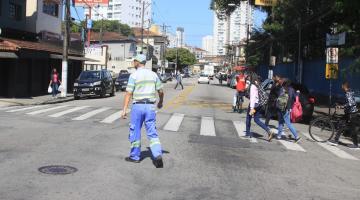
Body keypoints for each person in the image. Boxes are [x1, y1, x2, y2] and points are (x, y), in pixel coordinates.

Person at [121, 54, 165, 168]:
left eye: (133, 61)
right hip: (150, 107)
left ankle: (135, 156)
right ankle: (157, 154)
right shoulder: (153, 74)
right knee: (152, 132)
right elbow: (161, 91)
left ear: (137, 62)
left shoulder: (134, 75)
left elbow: (128, 93)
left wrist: (124, 109)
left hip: (138, 106)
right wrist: (160, 102)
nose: (132, 63)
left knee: (135, 131)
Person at [328, 82, 359, 149]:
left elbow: (351, 103)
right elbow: (348, 102)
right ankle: (336, 141)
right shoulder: (349, 92)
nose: (341, 87)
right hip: (349, 113)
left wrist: (342, 106)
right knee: (341, 124)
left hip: (352, 113)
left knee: (352, 129)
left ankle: (356, 145)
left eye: (342, 86)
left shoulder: (348, 93)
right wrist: (340, 103)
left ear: (344, 86)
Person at [245, 74, 274, 142]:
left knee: (248, 118)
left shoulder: (252, 86)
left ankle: (247, 133)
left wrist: (251, 108)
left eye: (250, 77)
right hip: (259, 104)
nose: (249, 78)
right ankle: (268, 130)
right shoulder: (258, 84)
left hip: (254, 105)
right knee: (256, 120)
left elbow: (252, 97)